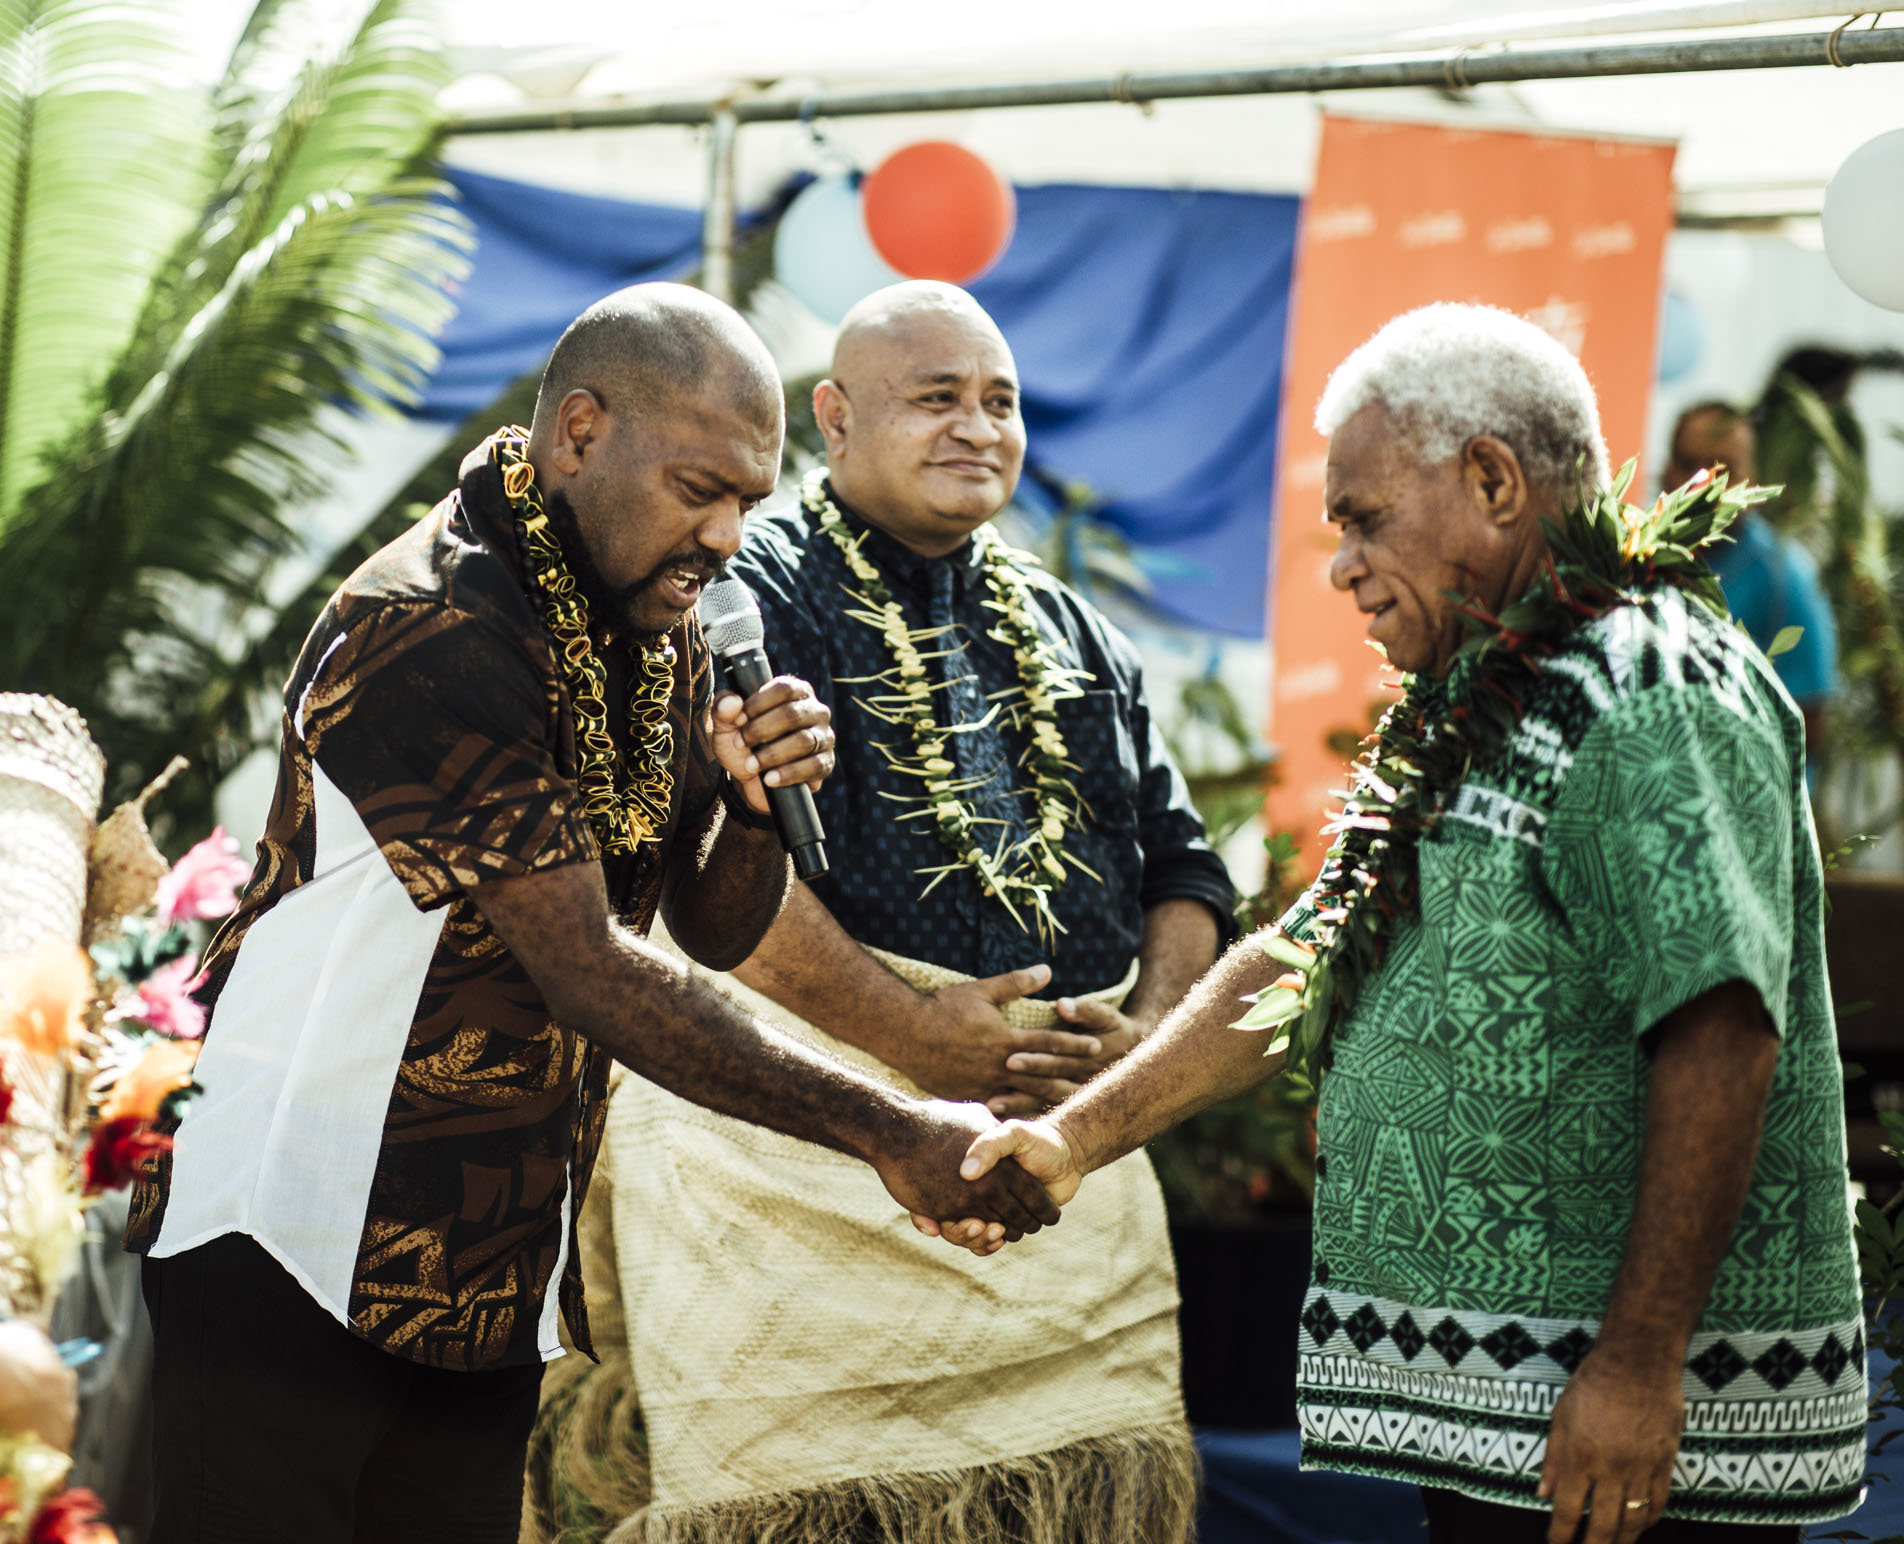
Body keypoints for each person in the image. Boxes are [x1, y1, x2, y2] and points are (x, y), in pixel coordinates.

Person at [120, 283, 1058, 1544]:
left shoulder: (644, 620)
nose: (727, 536)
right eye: (697, 487)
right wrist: (890, 1125)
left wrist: (755, 805)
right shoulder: (430, 623)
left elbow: (705, 921)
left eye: (748, 501)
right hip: (291, 1231)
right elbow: (588, 968)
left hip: (488, 1268)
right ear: (578, 435)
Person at [950, 304, 1864, 1543]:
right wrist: (1073, 1136)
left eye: (1363, 518)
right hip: (1503, 1417)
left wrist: (1640, 1364)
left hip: (1615, 1432)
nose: (1340, 564)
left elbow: (1720, 1030)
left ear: (1490, 478)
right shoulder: (1478, 702)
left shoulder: (1647, 683)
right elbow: (1298, 957)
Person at [535, 282, 1233, 1543]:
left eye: (1001, 400)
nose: (978, 426)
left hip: (1065, 1174)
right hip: (799, 1171)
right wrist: (910, 1032)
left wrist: (1144, 1040)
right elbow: (706, 875)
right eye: (936, 397)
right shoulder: (740, 596)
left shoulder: (1077, 628)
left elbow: (1184, 873)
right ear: (834, 417)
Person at [1661, 401, 1836, 757]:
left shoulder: (1787, 579)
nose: (1703, 484)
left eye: (1721, 471)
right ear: (1666, 472)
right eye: (1688, 464)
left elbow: (1812, 723)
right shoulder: (1641, 558)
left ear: (1753, 479)